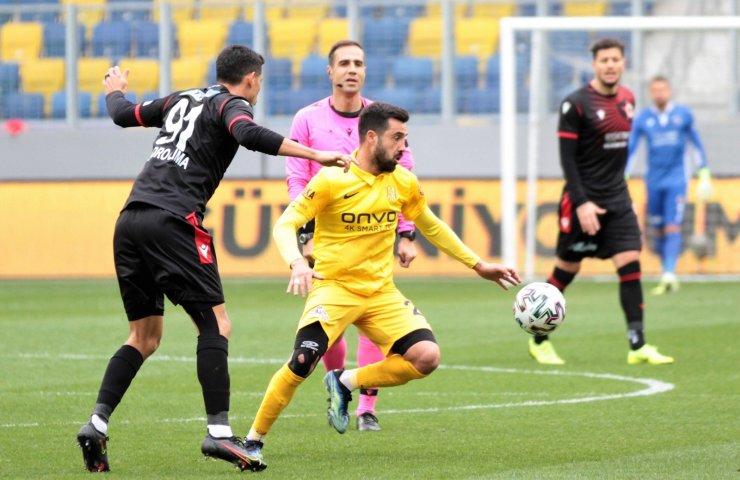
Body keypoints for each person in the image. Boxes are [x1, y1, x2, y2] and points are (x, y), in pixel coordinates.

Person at [75, 45, 354, 473]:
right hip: (174, 221)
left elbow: (122, 113)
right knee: (216, 324)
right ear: (251, 78)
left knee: (143, 338)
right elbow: (246, 134)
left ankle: (96, 424)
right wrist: (315, 154)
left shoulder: (181, 98)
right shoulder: (231, 103)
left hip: (130, 220)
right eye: (259, 80)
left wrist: (115, 90)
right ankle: (220, 435)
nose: (258, 88)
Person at [240, 102, 521, 469]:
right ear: (371, 137)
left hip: (380, 293)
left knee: (426, 357)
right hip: (334, 289)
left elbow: (431, 224)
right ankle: (252, 441)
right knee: (303, 360)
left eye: (406, 137)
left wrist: (478, 264)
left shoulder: (402, 180)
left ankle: (345, 381)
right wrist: (296, 262)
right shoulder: (331, 179)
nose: (404, 146)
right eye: (397, 137)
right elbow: (285, 224)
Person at [285, 39, 418, 432]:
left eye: (358, 62)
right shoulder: (307, 120)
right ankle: (338, 386)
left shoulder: (382, 119)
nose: (351, 69)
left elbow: (405, 171)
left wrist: (406, 234)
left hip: (373, 236)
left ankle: (366, 407)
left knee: (371, 318)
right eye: (343, 63)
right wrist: (303, 232)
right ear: (330, 72)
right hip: (326, 237)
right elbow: (297, 176)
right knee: (334, 324)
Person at [528, 38, 674, 366]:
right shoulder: (575, 104)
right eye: (604, 59)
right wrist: (581, 202)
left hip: (618, 198)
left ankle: (637, 346)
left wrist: (623, 195)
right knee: (567, 269)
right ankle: (538, 339)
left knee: (631, 263)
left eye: (616, 59)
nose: (610, 65)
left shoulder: (628, 100)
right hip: (583, 200)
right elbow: (568, 160)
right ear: (594, 64)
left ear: (623, 64)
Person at [626, 75, 711, 295]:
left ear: (669, 91)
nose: (659, 94)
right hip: (653, 180)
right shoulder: (643, 119)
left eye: (663, 89)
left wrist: (704, 173)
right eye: (655, 90)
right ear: (650, 93)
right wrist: (622, 176)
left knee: (673, 225)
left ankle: (669, 274)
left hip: (676, 180)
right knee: (658, 227)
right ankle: (667, 272)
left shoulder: (683, 115)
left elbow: (696, 145)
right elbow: (632, 150)